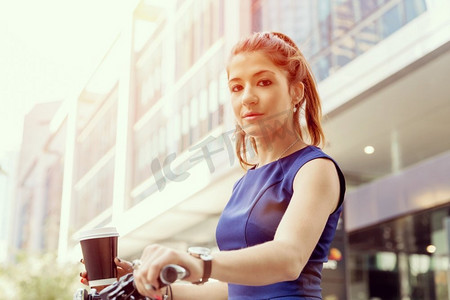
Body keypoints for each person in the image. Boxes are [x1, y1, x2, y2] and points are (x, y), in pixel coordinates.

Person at [80, 31, 346, 300]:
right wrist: (143, 284)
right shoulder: (243, 183)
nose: (247, 98)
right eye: (236, 87)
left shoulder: (314, 168)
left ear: (296, 92)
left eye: (264, 82)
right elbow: (231, 290)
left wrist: (198, 263)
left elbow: (289, 258)